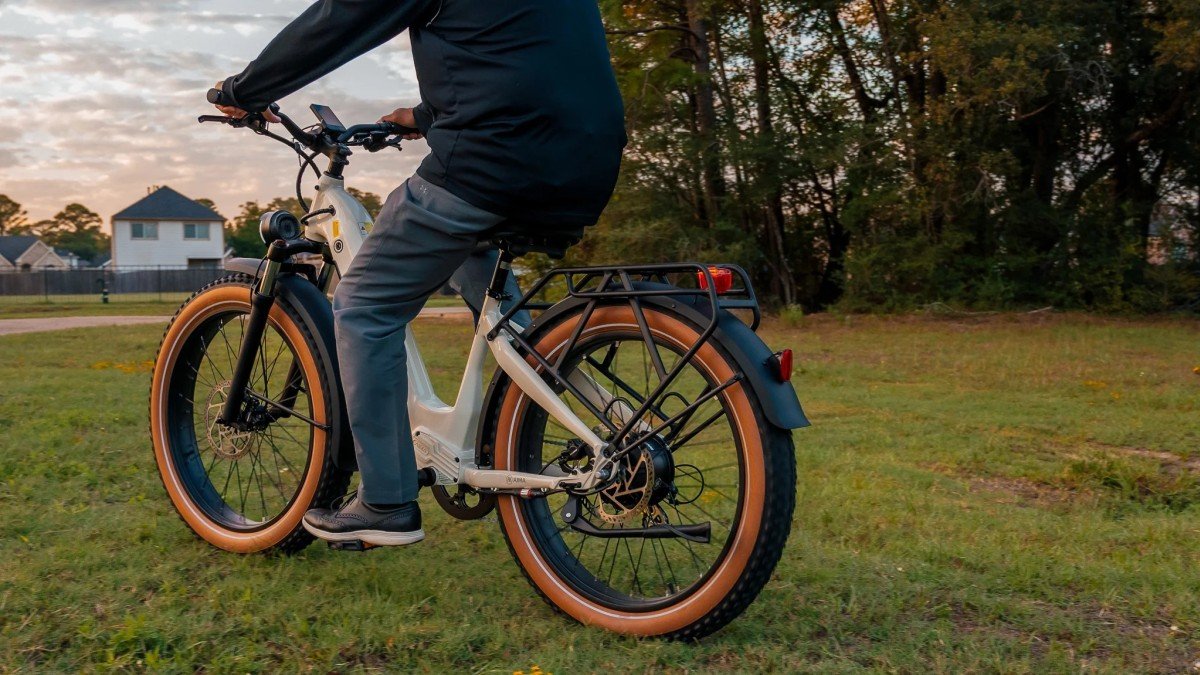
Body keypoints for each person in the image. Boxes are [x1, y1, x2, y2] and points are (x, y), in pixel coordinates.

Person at [211, 0, 626, 547]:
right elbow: (527, 61)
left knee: (362, 307)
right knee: (501, 309)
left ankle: (384, 502)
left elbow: (341, 19)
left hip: (493, 160)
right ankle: (615, 427)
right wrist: (427, 117)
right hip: (589, 158)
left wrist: (245, 90)